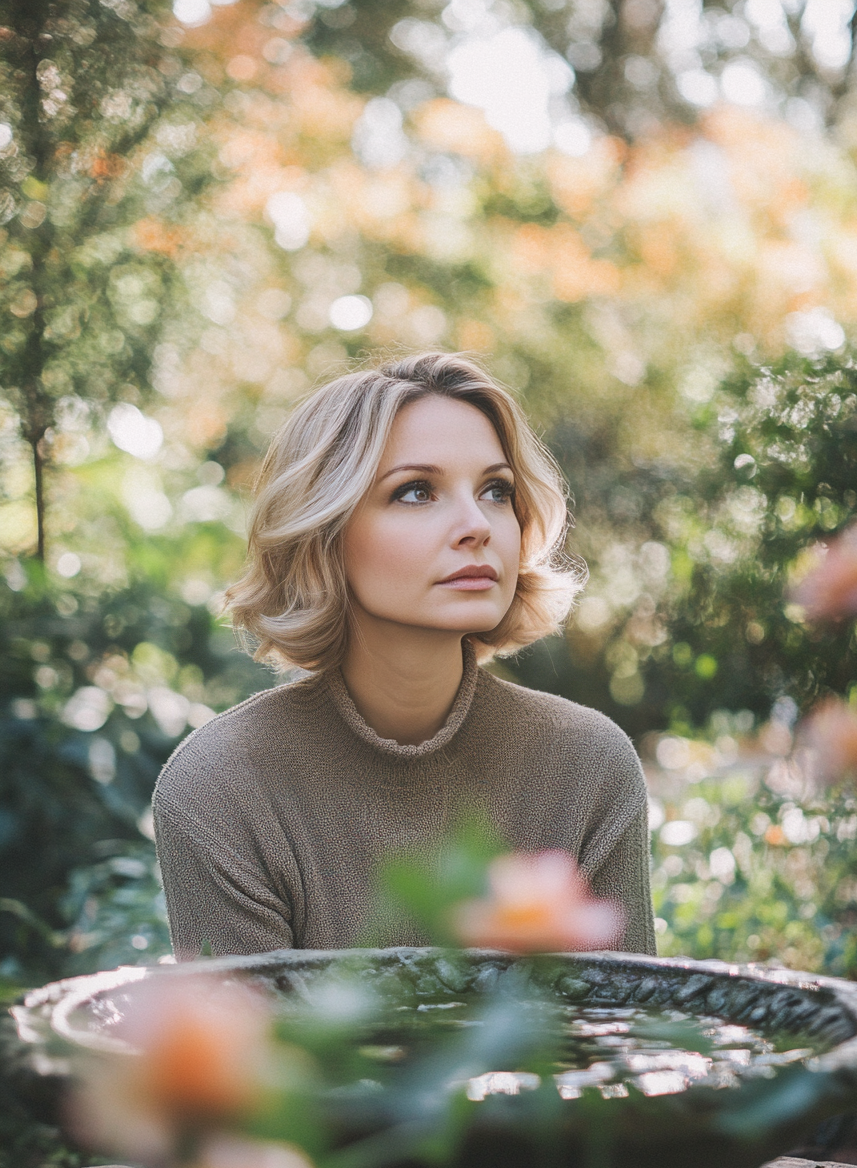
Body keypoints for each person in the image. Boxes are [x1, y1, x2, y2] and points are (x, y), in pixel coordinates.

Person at [153, 352, 655, 958]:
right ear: (325, 535)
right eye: (417, 492)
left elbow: (624, 1037)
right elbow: (248, 1051)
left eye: (496, 491)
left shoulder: (587, 766)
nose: (478, 525)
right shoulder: (220, 788)